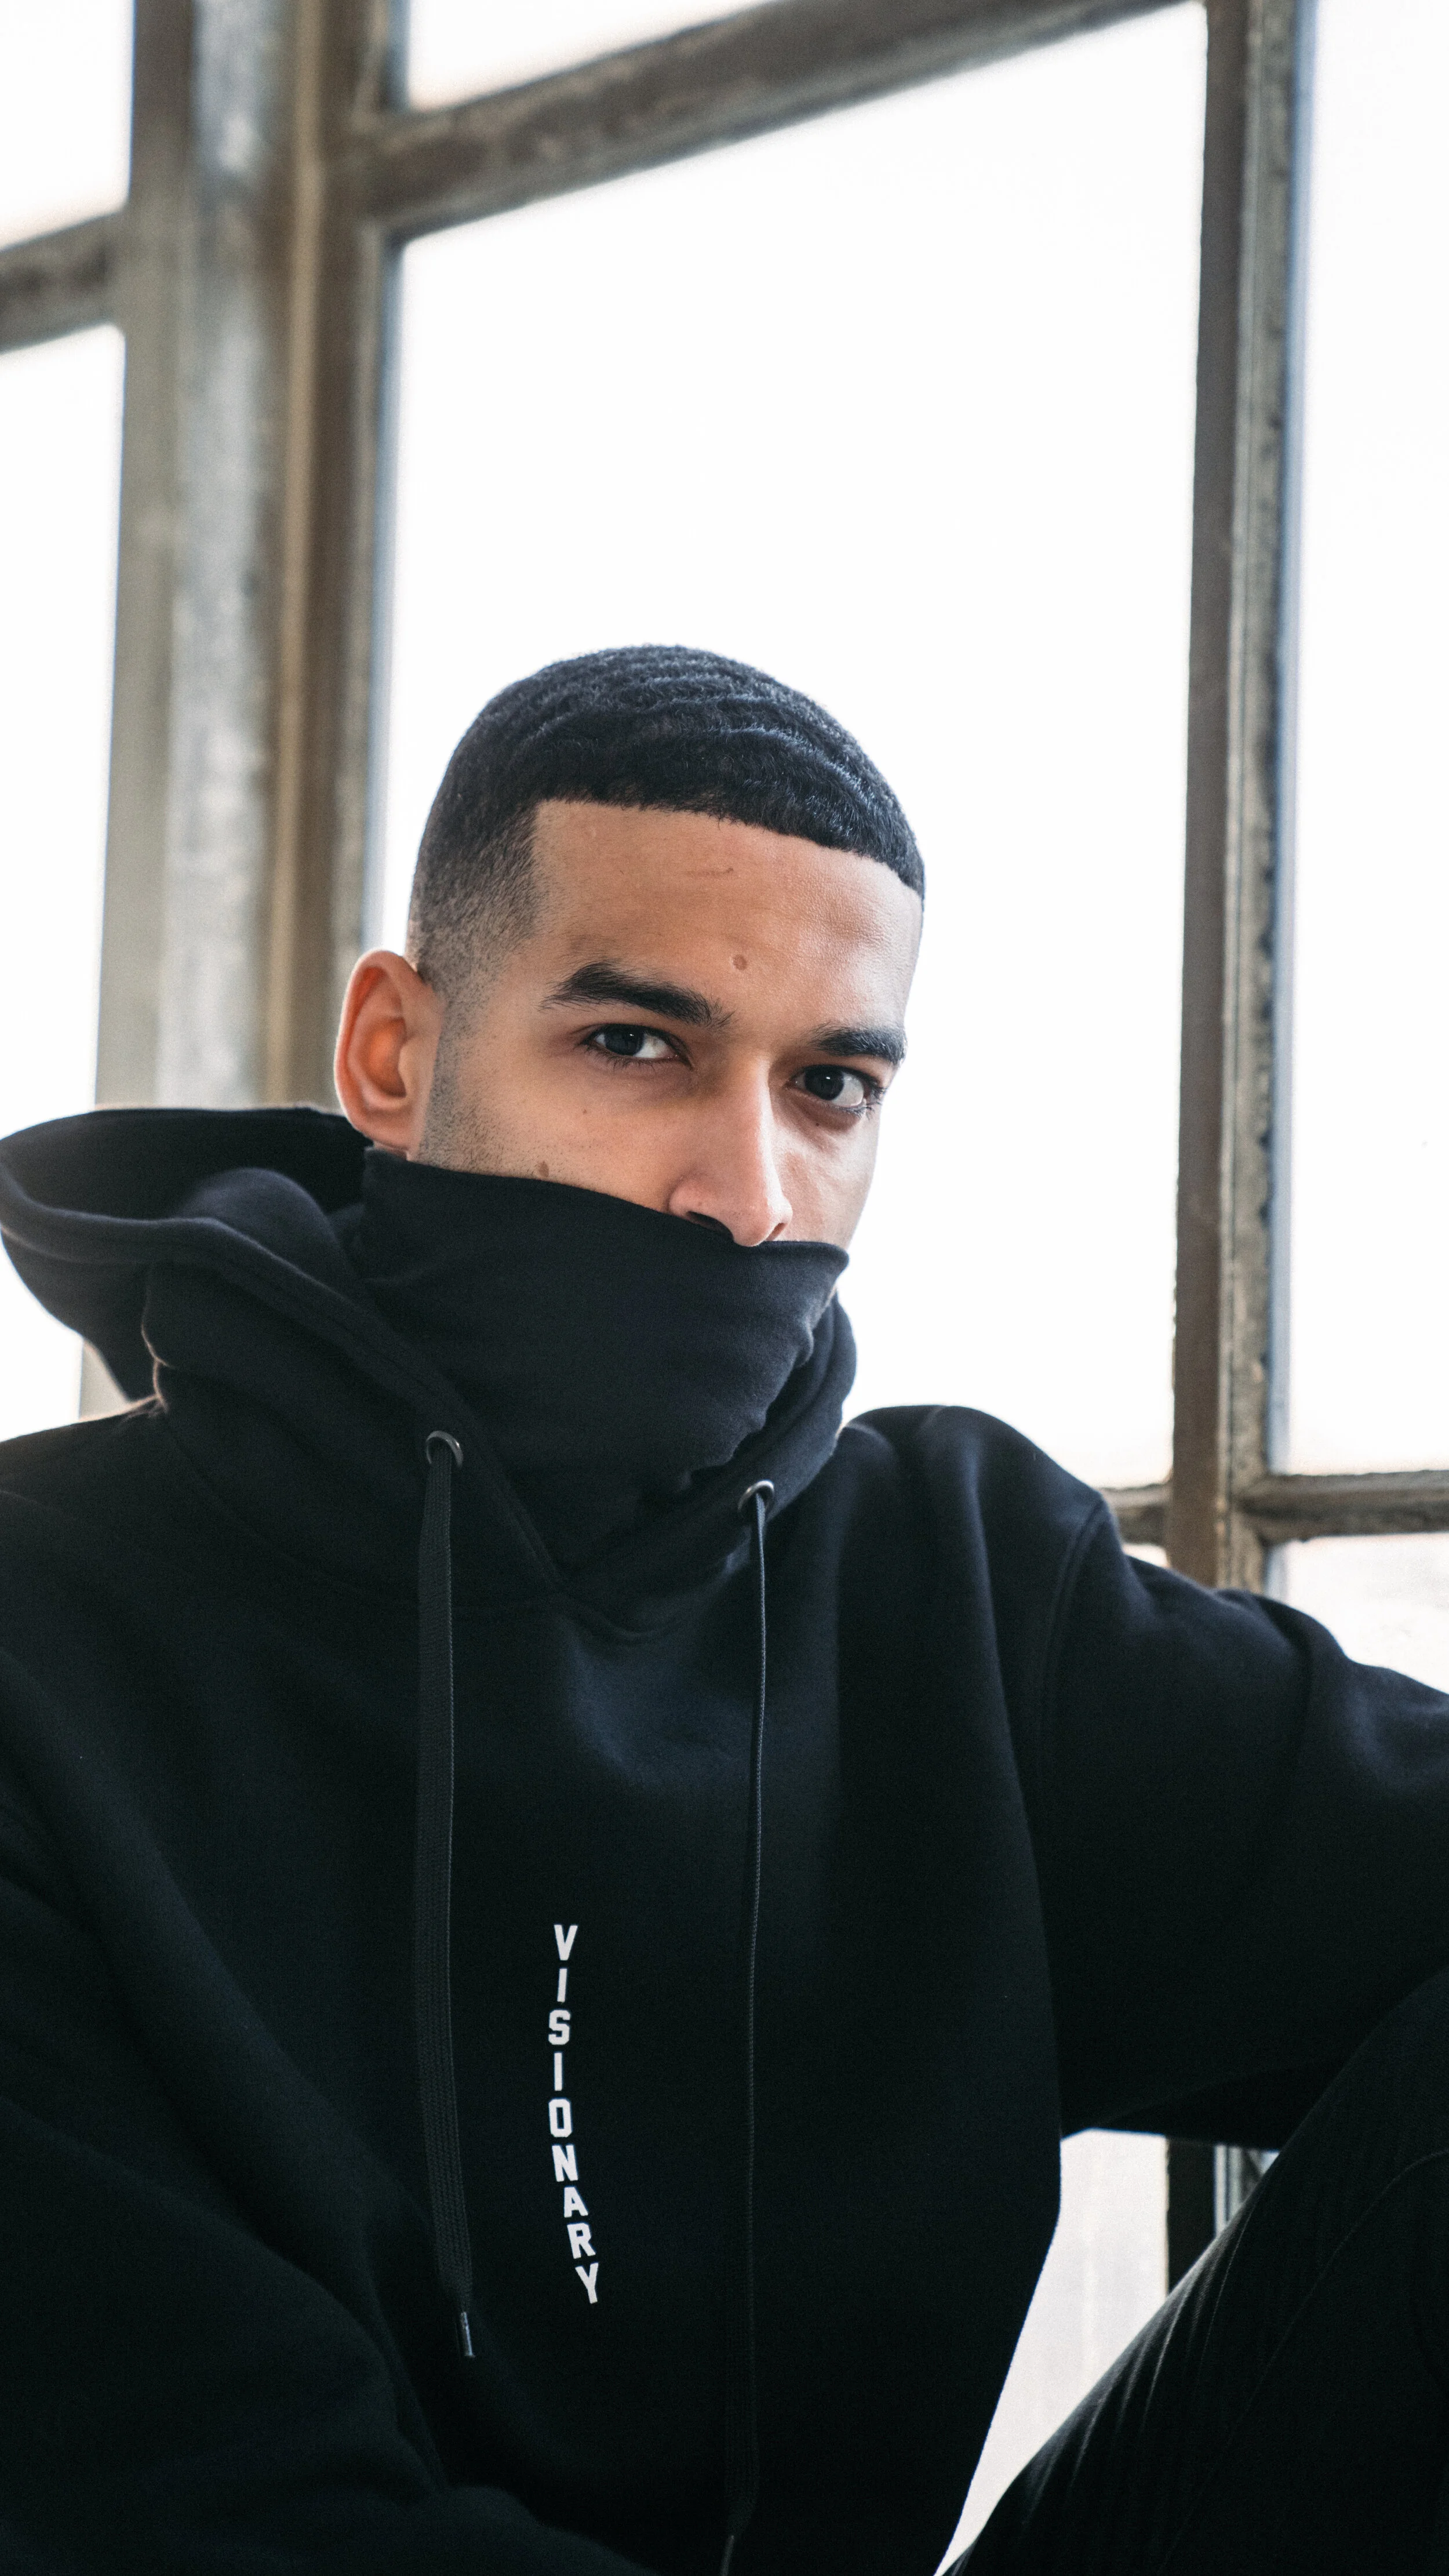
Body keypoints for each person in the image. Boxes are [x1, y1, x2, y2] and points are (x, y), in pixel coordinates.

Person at [0, 645, 1447, 2576]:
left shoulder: (952, 1590)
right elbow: (192, 2512)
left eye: (829, 1085)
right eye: (637, 1046)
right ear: (394, 1055)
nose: (745, 1193)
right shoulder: (44, 1635)